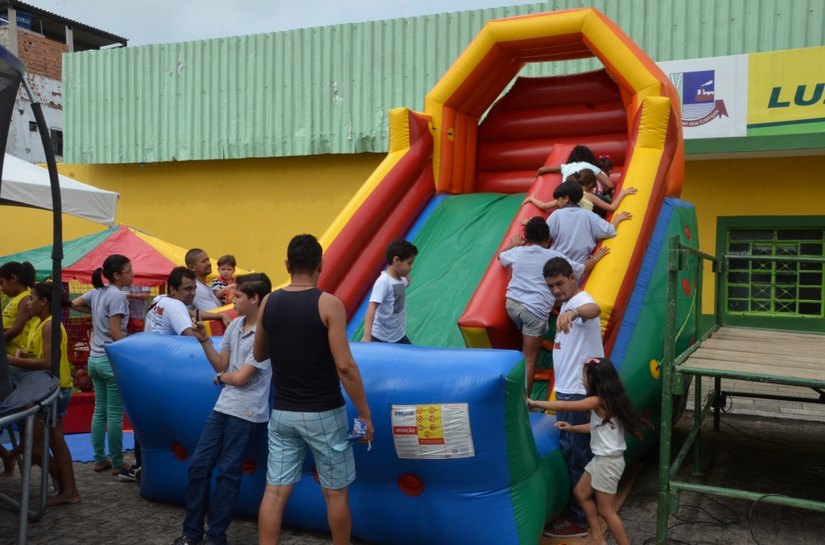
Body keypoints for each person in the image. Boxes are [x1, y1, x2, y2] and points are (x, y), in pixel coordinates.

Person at [254, 234, 374, 545]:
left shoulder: (269, 301)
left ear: (287, 266)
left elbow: (258, 354)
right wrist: (364, 413)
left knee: (275, 491)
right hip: (323, 412)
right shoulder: (329, 304)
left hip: (282, 413)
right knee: (335, 493)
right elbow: (345, 367)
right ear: (320, 264)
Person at [172, 273, 273, 545]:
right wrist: (205, 341)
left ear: (254, 299)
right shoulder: (234, 327)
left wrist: (225, 377)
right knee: (199, 465)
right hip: (225, 405)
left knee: (228, 471)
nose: (233, 300)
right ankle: (191, 533)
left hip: (247, 411)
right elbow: (222, 366)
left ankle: (217, 535)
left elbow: (239, 378)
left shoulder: (265, 335)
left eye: (238, 296)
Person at [528, 357, 644, 545]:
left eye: (584, 375)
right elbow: (595, 427)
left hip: (608, 462)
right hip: (602, 460)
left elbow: (565, 405)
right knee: (581, 493)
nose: (581, 378)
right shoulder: (610, 401)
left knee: (606, 511)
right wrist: (572, 428)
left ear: (593, 380)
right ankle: (598, 538)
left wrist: (535, 403)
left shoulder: (598, 401)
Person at [499, 217, 606, 397]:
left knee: (528, 330)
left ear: (526, 237)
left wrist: (512, 243)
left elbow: (501, 256)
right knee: (529, 358)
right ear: (548, 239)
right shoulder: (555, 257)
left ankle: (530, 341)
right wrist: (597, 256)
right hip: (534, 311)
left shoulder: (519, 251)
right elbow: (581, 268)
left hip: (511, 305)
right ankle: (525, 403)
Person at [541, 256, 604, 539]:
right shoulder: (566, 304)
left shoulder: (581, 302)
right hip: (568, 390)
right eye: (550, 286)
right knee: (572, 452)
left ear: (572, 278)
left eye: (559, 283)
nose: (555, 290)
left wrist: (576, 313)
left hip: (578, 394)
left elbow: (595, 308)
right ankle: (585, 511)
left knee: (578, 456)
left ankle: (580, 519)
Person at [8, 282, 80, 505]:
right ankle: (68, 490)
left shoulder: (50, 326)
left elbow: (49, 363)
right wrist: (24, 355)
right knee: (55, 441)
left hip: (53, 390)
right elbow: (42, 357)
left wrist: (12, 359)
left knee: (35, 446)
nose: (28, 303)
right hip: (52, 387)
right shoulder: (41, 324)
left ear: (43, 302)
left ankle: (66, 486)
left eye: (31, 298)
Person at [71, 254, 134, 479]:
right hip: (109, 359)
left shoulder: (98, 292)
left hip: (94, 360)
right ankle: (118, 463)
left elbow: (75, 303)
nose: (132, 274)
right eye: (129, 271)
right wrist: (129, 357)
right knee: (115, 414)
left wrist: (97, 313)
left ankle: (99, 459)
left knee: (100, 411)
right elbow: (116, 332)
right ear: (117, 275)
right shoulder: (116, 295)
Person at [0, 260, 37, 475]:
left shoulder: (25, 300)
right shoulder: (12, 299)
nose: (2, 288)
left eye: (2, 282)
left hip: (14, 366)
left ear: (13, 279)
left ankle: (14, 455)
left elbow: (15, 330)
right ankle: (9, 455)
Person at [546, 180, 631, 264]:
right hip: (579, 263)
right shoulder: (589, 215)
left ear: (566, 198)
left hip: (555, 260)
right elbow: (609, 231)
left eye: (558, 199)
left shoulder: (556, 214)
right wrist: (617, 219)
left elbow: (545, 235)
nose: (557, 203)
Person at [362, 239, 417, 344]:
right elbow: (372, 308)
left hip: (398, 336)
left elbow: (408, 281)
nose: (411, 267)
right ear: (396, 260)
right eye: (409, 263)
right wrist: (367, 336)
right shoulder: (384, 281)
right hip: (380, 337)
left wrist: (405, 270)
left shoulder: (401, 279)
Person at [536, 144, 615, 195]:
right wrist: (604, 193)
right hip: (587, 198)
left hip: (567, 197)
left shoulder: (565, 167)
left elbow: (541, 170)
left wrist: (537, 184)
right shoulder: (591, 166)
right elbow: (610, 185)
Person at [144, 267, 199, 337]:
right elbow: (193, 338)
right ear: (172, 289)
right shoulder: (176, 305)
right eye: (188, 289)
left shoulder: (159, 298)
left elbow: (189, 313)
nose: (193, 293)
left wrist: (215, 315)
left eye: (195, 288)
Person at [185, 248, 231, 327]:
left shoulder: (207, 286)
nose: (209, 263)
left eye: (208, 259)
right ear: (192, 267)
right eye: (204, 261)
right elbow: (215, 314)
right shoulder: (197, 288)